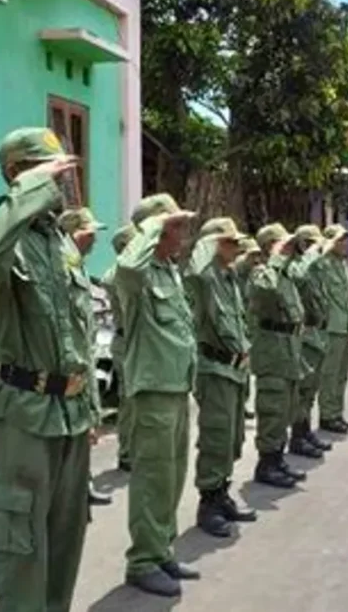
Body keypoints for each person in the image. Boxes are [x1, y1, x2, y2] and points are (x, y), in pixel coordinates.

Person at [0, 127, 95, 612]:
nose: (61, 182)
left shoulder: (60, 244)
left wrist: (88, 408)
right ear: (16, 175)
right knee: (21, 546)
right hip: (24, 414)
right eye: (50, 170)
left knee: (64, 542)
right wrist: (32, 187)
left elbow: (78, 337)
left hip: (70, 414)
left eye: (60, 171)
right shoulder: (0, 233)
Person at [115, 193, 200, 597]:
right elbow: (127, 265)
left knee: (173, 475)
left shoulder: (168, 271)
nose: (182, 234)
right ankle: (143, 560)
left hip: (175, 387)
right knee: (152, 478)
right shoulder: (137, 273)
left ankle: (161, 547)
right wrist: (150, 226)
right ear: (154, 231)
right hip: (151, 392)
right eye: (174, 227)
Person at [186, 218, 258, 538]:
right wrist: (206, 243)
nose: (237, 247)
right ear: (214, 244)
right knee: (216, 437)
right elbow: (196, 272)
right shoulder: (203, 277)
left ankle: (222, 492)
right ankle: (209, 503)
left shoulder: (228, 276)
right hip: (213, 369)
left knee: (233, 437)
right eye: (229, 242)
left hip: (234, 369)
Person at [58, 207, 112, 509]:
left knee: (85, 425)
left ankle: (83, 482)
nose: (94, 241)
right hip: (69, 363)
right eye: (91, 234)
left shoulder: (78, 268)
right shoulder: (62, 268)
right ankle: (72, 488)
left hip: (85, 359)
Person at [248, 223, 308, 489]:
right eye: (283, 244)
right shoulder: (262, 273)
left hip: (289, 348)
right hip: (272, 351)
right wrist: (275, 257)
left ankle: (278, 457)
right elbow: (265, 292)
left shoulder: (285, 274)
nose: (289, 249)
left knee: (286, 407)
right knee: (272, 408)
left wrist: (290, 256)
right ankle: (267, 463)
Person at [289, 224, 334, 459]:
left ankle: (305, 431)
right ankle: (297, 435)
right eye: (312, 244)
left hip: (317, 334)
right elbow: (299, 277)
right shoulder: (299, 266)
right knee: (303, 389)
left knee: (312, 389)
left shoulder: (317, 269)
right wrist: (311, 254)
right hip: (305, 336)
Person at [100, 223, 138, 472]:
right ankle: (127, 453)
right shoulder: (117, 275)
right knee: (131, 401)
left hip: (137, 341)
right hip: (127, 343)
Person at [317, 224, 348, 434]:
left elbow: (347, 300)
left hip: (344, 327)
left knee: (342, 375)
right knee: (329, 375)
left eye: (346, 240)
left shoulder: (341, 265)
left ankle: (337, 413)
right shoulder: (323, 264)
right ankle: (327, 415)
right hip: (331, 329)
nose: (346, 244)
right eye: (341, 240)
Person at [235, 238, 265, 421]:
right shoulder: (235, 274)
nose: (255, 260)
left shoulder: (254, 276)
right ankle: (238, 405)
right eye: (251, 255)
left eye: (257, 256)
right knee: (238, 370)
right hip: (236, 329)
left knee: (245, 371)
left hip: (249, 328)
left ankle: (242, 404)